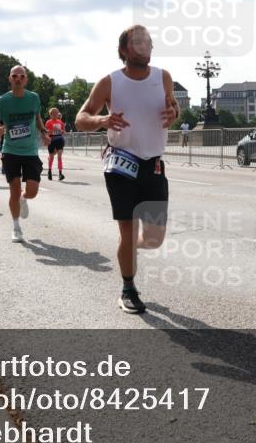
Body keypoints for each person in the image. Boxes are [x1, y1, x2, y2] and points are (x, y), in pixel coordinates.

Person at [75, 25, 179, 314]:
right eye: (138, 42)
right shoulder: (110, 82)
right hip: (121, 163)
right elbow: (81, 118)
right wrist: (102, 120)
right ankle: (128, 288)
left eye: (148, 42)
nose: (145, 46)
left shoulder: (164, 77)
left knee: (155, 238)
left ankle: (128, 247)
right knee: (127, 228)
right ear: (123, 50)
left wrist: (175, 112)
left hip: (154, 164)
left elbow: (172, 108)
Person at [0, 65, 49, 242]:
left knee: (32, 191)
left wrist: (44, 132)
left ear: (26, 79)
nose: (18, 78)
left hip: (30, 151)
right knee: (14, 190)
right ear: (10, 78)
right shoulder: (2, 101)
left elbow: (37, 118)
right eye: (15, 76)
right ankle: (16, 227)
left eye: (21, 76)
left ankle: (24, 199)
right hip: (10, 150)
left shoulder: (34, 98)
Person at [45, 107, 66, 180]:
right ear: (51, 115)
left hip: (59, 139)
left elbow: (64, 132)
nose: (56, 115)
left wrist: (61, 130)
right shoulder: (48, 122)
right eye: (54, 113)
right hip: (51, 140)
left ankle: (60, 173)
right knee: (51, 157)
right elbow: (46, 133)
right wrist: (52, 129)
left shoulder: (60, 122)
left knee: (59, 156)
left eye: (57, 113)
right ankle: (49, 171)